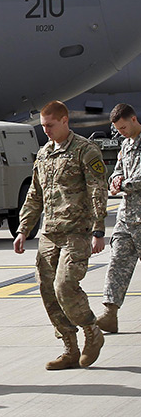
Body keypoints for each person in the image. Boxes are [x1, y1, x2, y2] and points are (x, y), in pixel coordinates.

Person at [14, 100, 108, 369]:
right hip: (49, 234)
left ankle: (92, 331)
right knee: (47, 291)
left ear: (65, 120)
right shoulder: (43, 154)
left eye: (50, 125)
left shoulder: (85, 150)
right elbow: (35, 195)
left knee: (64, 287)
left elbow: (97, 190)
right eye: (43, 126)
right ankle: (69, 348)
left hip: (76, 233)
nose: (46, 131)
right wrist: (23, 229)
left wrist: (98, 230)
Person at [96, 103, 141, 333]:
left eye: (123, 127)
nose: (121, 132)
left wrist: (121, 185)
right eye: (118, 129)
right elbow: (118, 170)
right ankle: (109, 313)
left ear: (133, 120)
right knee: (117, 264)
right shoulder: (126, 145)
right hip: (127, 217)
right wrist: (115, 179)